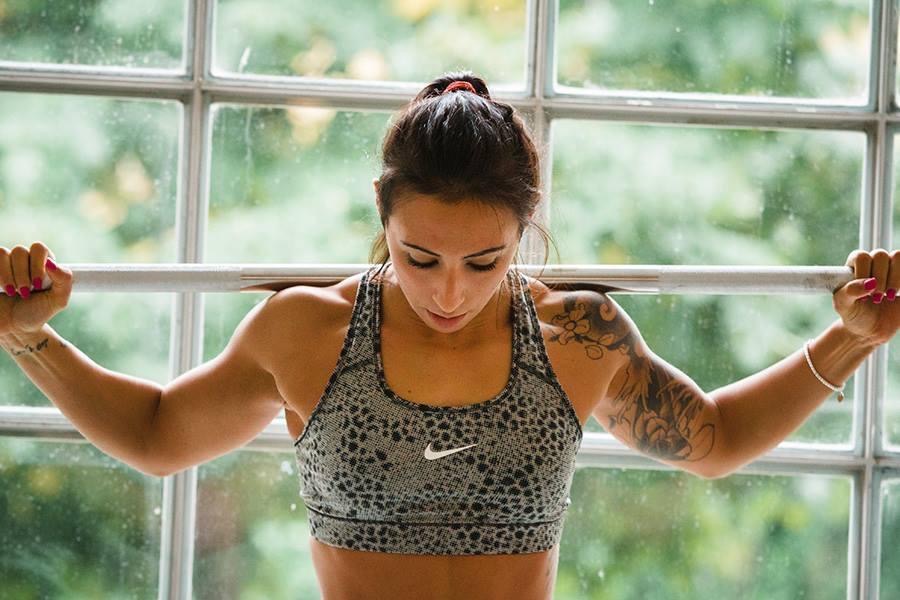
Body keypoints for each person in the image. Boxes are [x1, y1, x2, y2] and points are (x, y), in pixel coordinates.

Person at [0, 70, 897, 600]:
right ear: (382, 212)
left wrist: (853, 337)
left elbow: (717, 440)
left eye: (486, 260)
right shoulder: (306, 330)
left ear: (525, 228)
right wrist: (30, 338)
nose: (451, 291)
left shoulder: (577, 336)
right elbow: (159, 435)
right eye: (419, 257)